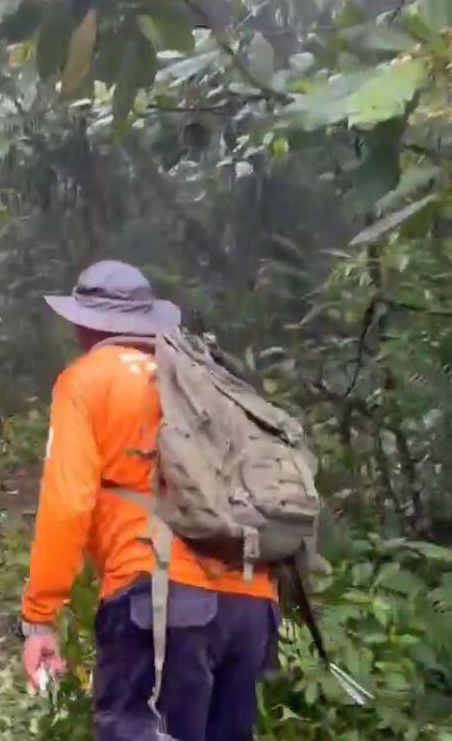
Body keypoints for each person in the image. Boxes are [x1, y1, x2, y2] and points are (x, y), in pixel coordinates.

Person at [18, 261, 278, 741]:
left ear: (83, 324)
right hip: (251, 600)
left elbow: (68, 504)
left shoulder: (86, 380)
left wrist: (38, 617)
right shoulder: (207, 375)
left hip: (159, 598)